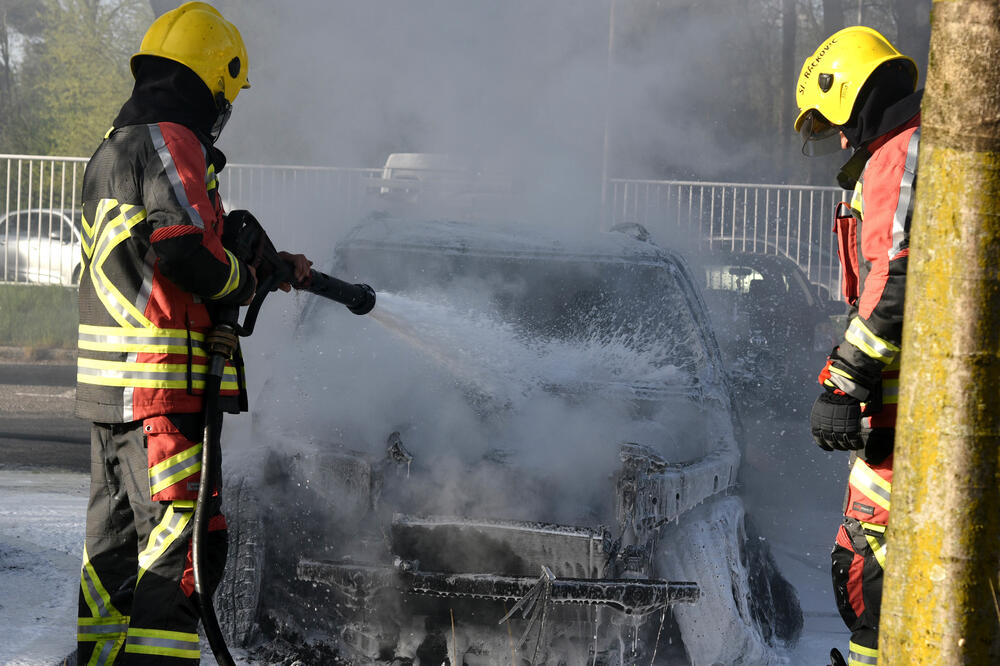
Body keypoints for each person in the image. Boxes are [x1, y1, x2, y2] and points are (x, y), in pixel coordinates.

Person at [74, 3, 311, 663]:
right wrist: (242, 280)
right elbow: (182, 251)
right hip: (162, 393)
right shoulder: (174, 141)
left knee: (114, 558)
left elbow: (156, 254)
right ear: (214, 82)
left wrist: (265, 263)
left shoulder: (111, 148)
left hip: (110, 392)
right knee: (183, 555)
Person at [794, 26, 922, 666]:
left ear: (852, 98)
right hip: (909, 411)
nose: (841, 140)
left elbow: (895, 272)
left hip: (908, 419)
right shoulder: (915, 148)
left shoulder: (897, 155)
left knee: (868, 557)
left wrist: (840, 381)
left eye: (836, 123)